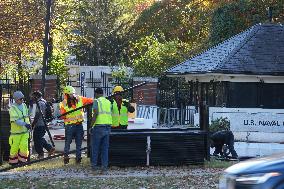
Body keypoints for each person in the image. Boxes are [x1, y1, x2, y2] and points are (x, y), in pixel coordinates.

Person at [59, 86, 93, 164]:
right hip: (76, 125)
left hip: (71, 126)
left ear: (65, 94)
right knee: (78, 143)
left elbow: (62, 116)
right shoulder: (79, 99)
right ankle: (77, 158)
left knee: (68, 142)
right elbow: (90, 101)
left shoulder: (63, 103)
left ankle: (67, 157)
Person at [90, 87, 112, 173]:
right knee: (105, 149)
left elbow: (96, 113)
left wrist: (91, 126)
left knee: (95, 148)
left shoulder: (97, 101)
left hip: (99, 127)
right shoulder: (108, 102)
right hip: (108, 127)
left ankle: (94, 166)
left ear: (96, 93)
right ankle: (104, 167)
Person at [8, 91, 31, 165]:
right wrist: (25, 124)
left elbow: (28, 115)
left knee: (24, 147)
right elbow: (16, 120)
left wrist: (32, 106)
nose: (22, 100)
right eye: (20, 99)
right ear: (16, 99)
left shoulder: (24, 105)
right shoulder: (12, 108)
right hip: (16, 133)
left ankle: (22, 161)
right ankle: (13, 163)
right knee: (14, 148)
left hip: (24, 131)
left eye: (23, 99)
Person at [31, 91, 55, 159]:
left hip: (39, 124)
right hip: (44, 123)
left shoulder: (39, 103)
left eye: (33, 96)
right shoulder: (44, 101)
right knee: (40, 138)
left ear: (36, 96)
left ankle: (41, 154)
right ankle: (50, 148)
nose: (32, 98)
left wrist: (33, 124)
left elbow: (38, 114)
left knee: (36, 139)